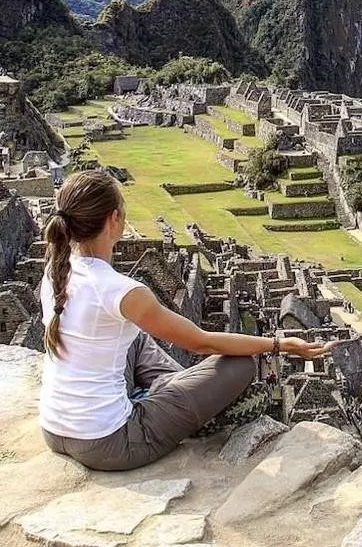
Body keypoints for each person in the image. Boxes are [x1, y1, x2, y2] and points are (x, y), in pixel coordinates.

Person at [39, 170, 336, 472]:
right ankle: (186, 403)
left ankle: (170, 390)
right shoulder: (122, 291)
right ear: (114, 219)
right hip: (113, 443)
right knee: (241, 364)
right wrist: (279, 344)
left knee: (135, 336)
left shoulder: (55, 272)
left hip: (54, 431)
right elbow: (200, 342)